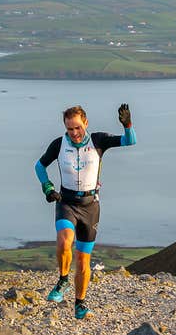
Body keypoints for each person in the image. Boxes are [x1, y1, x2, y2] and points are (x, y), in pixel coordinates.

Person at [34, 103, 137, 320]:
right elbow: (39, 166)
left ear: (86, 123)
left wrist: (127, 124)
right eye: (70, 129)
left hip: (90, 206)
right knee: (64, 241)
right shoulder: (59, 144)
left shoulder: (98, 141)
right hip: (66, 202)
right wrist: (48, 187)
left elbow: (130, 141)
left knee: (83, 260)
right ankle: (62, 281)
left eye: (77, 128)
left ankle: (80, 305)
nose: (74, 133)